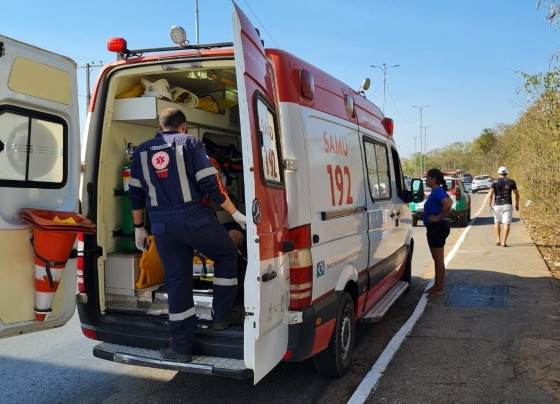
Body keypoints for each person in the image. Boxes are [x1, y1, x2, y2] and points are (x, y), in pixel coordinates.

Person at [128, 108, 247, 362]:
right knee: (227, 254)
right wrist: (236, 214)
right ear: (184, 126)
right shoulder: (190, 143)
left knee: (176, 281)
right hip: (194, 219)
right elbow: (211, 185)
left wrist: (139, 227)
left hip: (160, 225)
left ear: (160, 128)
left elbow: (135, 194)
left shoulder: (140, 151)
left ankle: (181, 348)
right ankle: (222, 317)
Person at [423, 168, 452, 296]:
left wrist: (437, 217)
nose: (426, 180)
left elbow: (448, 204)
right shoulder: (437, 191)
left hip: (437, 228)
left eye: (428, 177)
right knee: (437, 259)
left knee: (438, 260)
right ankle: (436, 286)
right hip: (435, 228)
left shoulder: (437, 192)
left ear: (434, 179)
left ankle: (439, 288)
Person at [488, 166, 519, 247]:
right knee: (506, 223)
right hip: (507, 204)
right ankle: (504, 242)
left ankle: (498, 239)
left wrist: (489, 205)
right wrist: (517, 204)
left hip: (497, 205)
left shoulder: (494, 182)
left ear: (499, 173)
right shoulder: (511, 182)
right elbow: (517, 194)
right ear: (506, 173)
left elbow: (490, 194)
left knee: (497, 222)